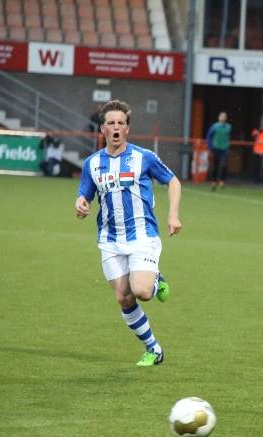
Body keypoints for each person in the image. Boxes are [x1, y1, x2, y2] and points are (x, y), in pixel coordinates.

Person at [74, 100, 182, 367]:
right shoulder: (92, 163)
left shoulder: (143, 157)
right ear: (102, 129)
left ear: (127, 129)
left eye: (121, 123)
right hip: (110, 240)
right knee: (123, 296)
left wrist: (173, 215)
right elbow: (85, 195)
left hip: (143, 236)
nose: (116, 128)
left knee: (142, 291)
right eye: (111, 123)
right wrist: (81, 205)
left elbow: (173, 181)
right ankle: (154, 349)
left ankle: (155, 279)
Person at [206, 111, 231, 191]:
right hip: (215, 148)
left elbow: (228, 138)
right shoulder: (214, 126)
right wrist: (210, 147)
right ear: (219, 118)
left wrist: (228, 147)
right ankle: (213, 182)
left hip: (224, 149)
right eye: (222, 117)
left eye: (225, 117)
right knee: (215, 166)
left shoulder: (229, 127)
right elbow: (209, 137)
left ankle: (222, 181)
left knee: (224, 165)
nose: (223, 118)